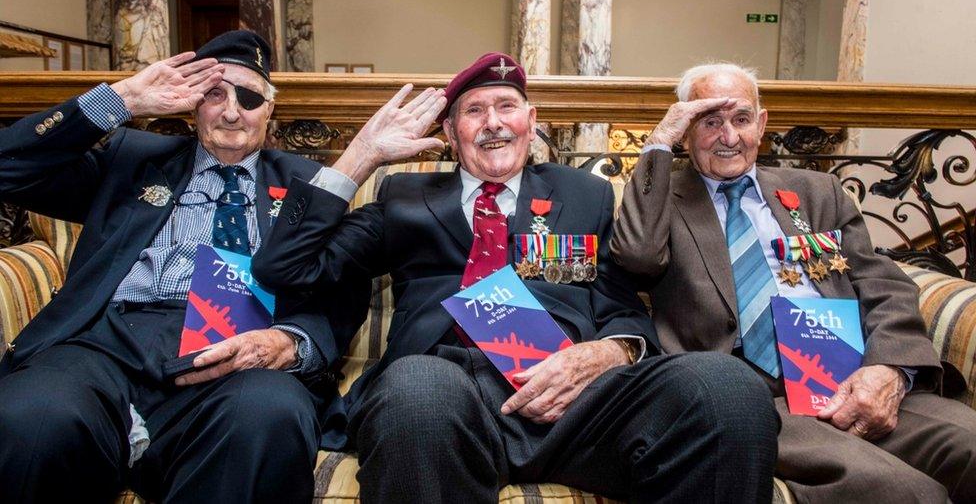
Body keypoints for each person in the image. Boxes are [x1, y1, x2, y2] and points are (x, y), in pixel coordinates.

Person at [251, 52, 779, 503]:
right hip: (447, 391)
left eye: (506, 107)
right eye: (474, 111)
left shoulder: (584, 194)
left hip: (578, 400)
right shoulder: (403, 198)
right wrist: (362, 156)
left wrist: (608, 353)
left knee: (725, 388)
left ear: (531, 118)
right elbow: (286, 269)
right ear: (451, 136)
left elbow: (621, 306)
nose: (493, 123)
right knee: (417, 390)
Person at [0, 30, 370, 503]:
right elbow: (9, 167)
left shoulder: (309, 183)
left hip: (235, 354)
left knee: (268, 413)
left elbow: (340, 288)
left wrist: (289, 341)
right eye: (214, 94)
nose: (232, 111)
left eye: (250, 97)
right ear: (191, 105)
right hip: (104, 346)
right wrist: (120, 100)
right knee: (31, 415)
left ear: (270, 109)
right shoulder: (130, 158)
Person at [610, 62, 976, 503]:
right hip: (762, 399)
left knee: (969, 447)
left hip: (854, 372)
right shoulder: (663, 200)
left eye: (741, 119)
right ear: (686, 130)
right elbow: (637, 255)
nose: (729, 137)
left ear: (762, 125)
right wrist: (658, 143)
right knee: (905, 493)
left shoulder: (818, 192)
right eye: (710, 122)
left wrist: (890, 369)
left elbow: (884, 285)